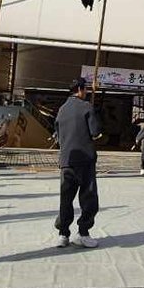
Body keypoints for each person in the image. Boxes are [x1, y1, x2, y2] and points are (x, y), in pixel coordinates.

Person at [53, 77, 102, 249]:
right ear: (80, 90)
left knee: (66, 199)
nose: (87, 92)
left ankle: (63, 233)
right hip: (85, 159)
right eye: (86, 89)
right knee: (88, 197)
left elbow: (58, 134)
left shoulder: (61, 109)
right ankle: (83, 232)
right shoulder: (87, 107)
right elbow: (95, 132)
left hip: (66, 159)